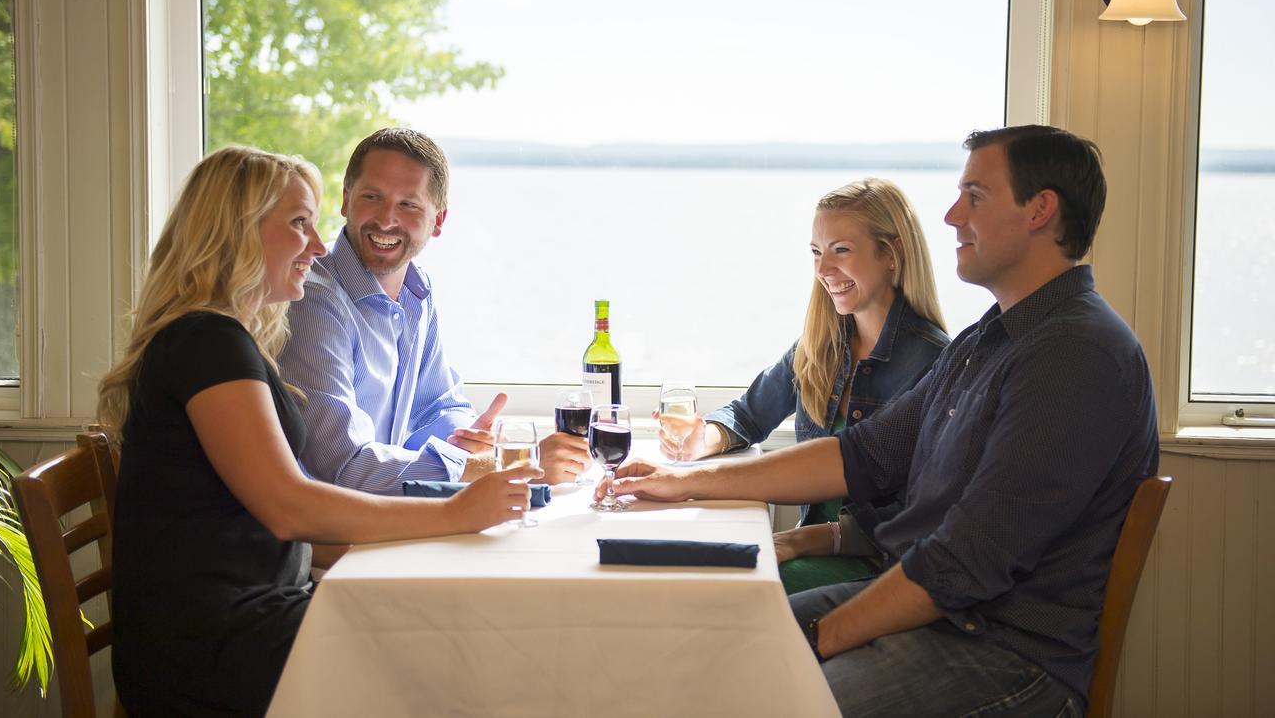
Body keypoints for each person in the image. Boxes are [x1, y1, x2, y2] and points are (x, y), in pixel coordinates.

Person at [604, 125, 1159, 718]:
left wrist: (824, 640)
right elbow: (861, 455)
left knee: (765, 694)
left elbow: (964, 561)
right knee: (703, 651)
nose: (950, 215)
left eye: (974, 195)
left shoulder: (1075, 354)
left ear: (1039, 210)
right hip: (940, 616)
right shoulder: (988, 339)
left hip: (1005, 652)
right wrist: (684, 482)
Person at [101, 147, 539, 716]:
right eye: (298, 224)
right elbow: (289, 507)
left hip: (255, 614)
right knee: (460, 657)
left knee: (445, 636)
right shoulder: (206, 344)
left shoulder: (222, 339)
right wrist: (456, 512)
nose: (317, 245)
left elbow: (267, 523)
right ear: (236, 232)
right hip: (214, 643)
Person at [661, 179, 949, 594]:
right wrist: (702, 437)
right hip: (808, 549)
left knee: (731, 591)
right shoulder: (819, 346)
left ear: (891, 253)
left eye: (841, 251)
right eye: (816, 252)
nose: (823, 271)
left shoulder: (934, 361)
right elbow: (747, 414)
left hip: (878, 568)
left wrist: (798, 540)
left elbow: (920, 515)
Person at [278, 128, 590, 493]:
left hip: (387, 516)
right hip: (328, 536)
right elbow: (346, 468)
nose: (386, 219)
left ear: (438, 220)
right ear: (346, 201)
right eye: (372, 197)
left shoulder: (416, 291)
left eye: (408, 204)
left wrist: (467, 439)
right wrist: (510, 464)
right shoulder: (313, 301)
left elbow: (439, 405)